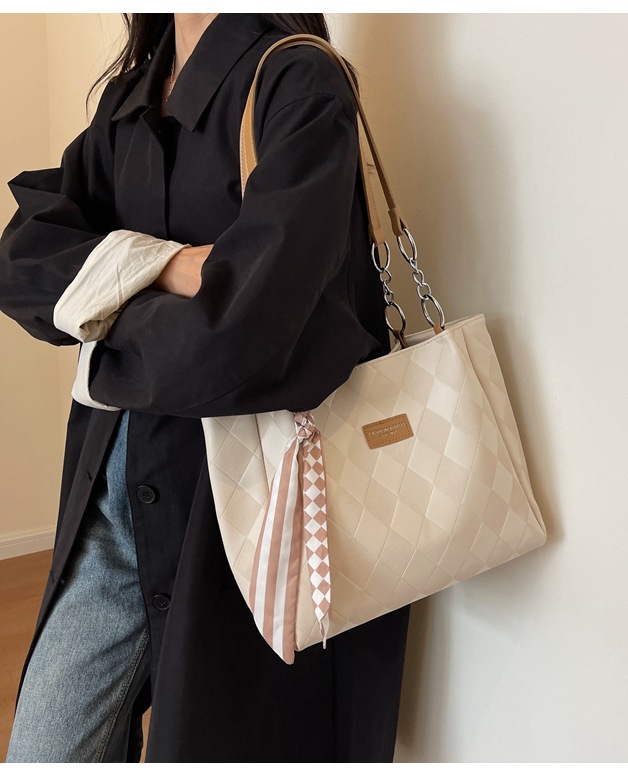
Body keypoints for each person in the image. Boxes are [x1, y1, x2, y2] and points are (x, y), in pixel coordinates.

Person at [0, 12, 411, 763]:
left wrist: (100, 320)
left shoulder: (299, 82)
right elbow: (21, 258)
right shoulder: (130, 95)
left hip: (247, 516)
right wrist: (160, 265)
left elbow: (241, 338)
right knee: (44, 751)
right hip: (111, 502)